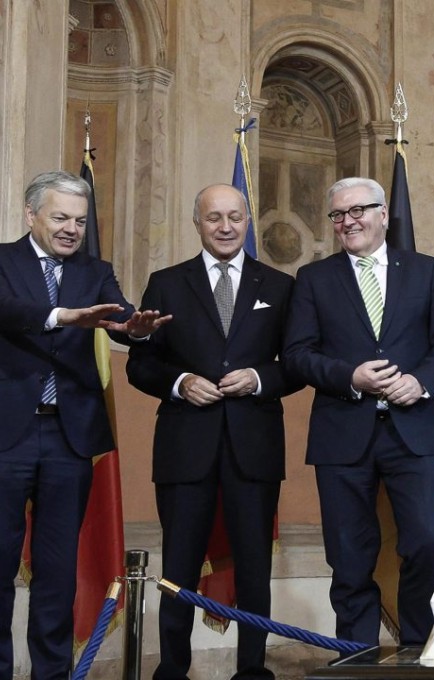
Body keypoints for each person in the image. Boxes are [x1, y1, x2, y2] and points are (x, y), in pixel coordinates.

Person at [0, 171, 169, 680]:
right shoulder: (3, 261)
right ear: (31, 216)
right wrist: (61, 316)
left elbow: (119, 315)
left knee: (57, 573)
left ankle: (50, 675)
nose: (72, 228)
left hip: (69, 439)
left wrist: (135, 330)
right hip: (7, 436)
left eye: (79, 219)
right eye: (60, 218)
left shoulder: (96, 269)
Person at [126, 184, 299, 680]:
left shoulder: (281, 286)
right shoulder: (166, 282)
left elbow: (299, 363)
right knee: (177, 567)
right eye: (213, 218)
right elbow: (141, 365)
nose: (225, 227)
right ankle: (173, 670)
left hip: (254, 448)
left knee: (253, 568)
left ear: (248, 220)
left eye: (235, 217)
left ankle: (251, 670)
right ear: (196, 223)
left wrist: (261, 378)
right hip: (185, 447)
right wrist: (180, 383)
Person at [282, 177, 434, 646]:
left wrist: (419, 381)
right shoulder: (314, 279)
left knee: (427, 540)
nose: (349, 221)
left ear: (384, 214)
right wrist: (351, 377)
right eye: (339, 215)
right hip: (343, 431)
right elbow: (297, 354)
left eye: (359, 210)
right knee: (348, 555)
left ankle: (418, 646)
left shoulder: (425, 270)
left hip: (413, 431)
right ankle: (357, 656)